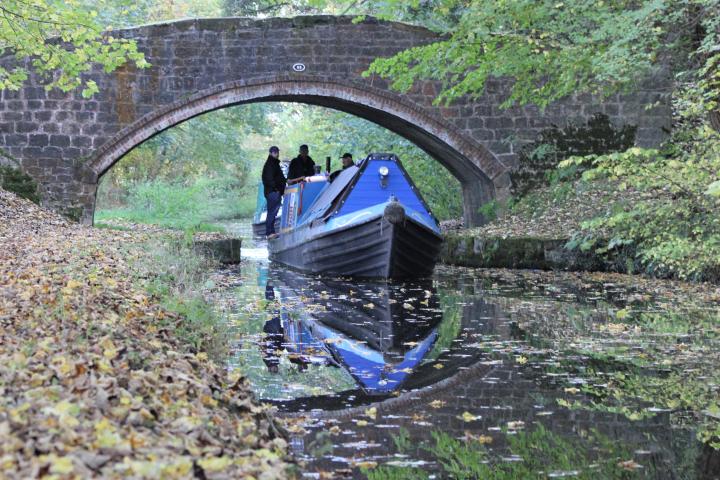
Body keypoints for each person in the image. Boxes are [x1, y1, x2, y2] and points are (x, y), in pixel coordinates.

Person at [261, 146, 285, 238]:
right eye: (275, 152)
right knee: (272, 212)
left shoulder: (274, 163)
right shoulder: (270, 164)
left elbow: (278, 177)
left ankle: (271, 232)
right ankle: (269, 233)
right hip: (272, 192)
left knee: (273, 212)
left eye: (277, 152)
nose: (277, 154)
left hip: (274, 192)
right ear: (270, 153)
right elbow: (268, 179)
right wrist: (277, 189)